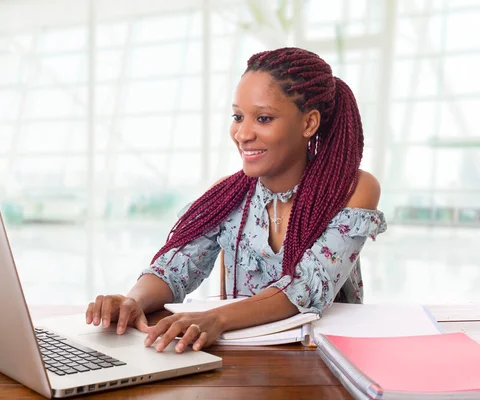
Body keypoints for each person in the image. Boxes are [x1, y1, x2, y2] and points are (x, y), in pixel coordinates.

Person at [85, 47, 387, 354]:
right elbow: (174, 269)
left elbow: (305, 288)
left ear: (309, 124)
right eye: (238, 117)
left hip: (323, 362)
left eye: (263, 118)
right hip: (244, 361)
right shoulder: (227, 196)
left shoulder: (353, 189)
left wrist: (216, 317)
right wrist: (132, 300)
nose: (242, 134)